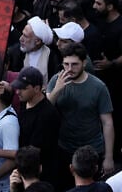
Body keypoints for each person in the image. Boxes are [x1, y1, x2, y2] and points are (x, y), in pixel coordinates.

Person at [47, 43, 115, 189]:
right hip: (64, 148)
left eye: (74, 64)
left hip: (91, 149)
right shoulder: (56, 80)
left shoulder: (98, 87)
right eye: (66, 64)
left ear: (84, 63)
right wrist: (57, 90)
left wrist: (109, 157)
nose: (69, 69)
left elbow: (107, 123)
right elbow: (45, 111)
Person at [10, 67, 60, 184]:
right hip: (23, 170)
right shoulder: (25, 102)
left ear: (37, 88)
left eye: (23, 88)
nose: (18, 92)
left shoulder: (47, 115)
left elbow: (33, 152)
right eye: (17, 87)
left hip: (39, 175)